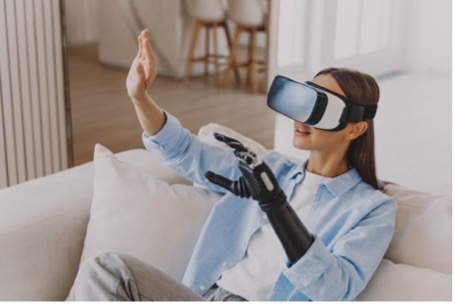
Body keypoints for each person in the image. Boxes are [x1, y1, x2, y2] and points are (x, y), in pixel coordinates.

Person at [68, 29, 397, 302]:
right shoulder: (269, 168)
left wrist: (277, 207)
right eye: (304, 99)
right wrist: (139, 96)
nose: (301, 116)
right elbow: (185, 152)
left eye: (319, 107)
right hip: (204, 295)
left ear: (355, 128)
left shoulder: (372, 209)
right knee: (108, 271)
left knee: (109, 270)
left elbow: (334, 289)